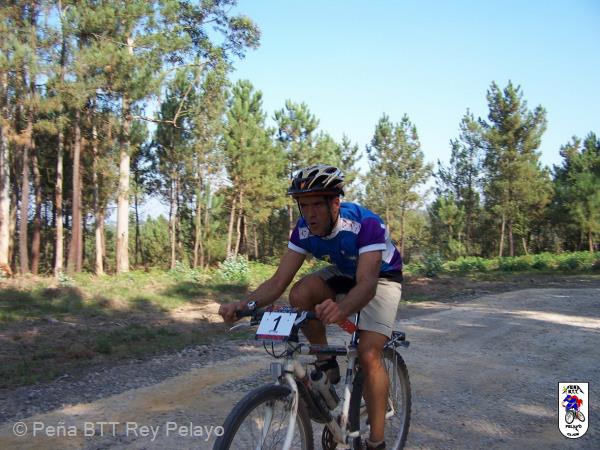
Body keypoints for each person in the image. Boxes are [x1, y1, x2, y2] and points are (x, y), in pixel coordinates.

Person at [219, 164, 403, 450]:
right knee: (300, 293)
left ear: (335, 203)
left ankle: (377, 442)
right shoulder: (304, 229)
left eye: (317, 205)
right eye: (303, 205)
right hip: (344, 272)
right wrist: (244, 305)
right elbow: (278, 281)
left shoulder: (365, 224)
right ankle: (326, 363)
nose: (310, 213)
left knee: (368, 353)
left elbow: (367, 284)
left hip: (381, 277)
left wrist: (342, 309)